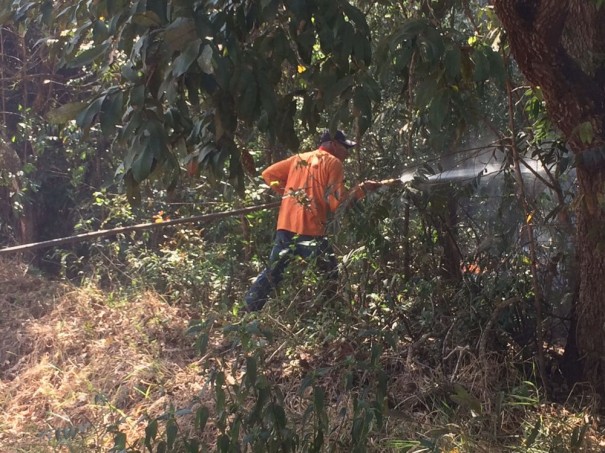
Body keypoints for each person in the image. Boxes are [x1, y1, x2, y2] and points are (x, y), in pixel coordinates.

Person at [243, 130, 382, 312]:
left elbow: (268, 174)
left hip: (286, 227)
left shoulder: (299, 158)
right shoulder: (334, 163)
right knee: (330, 274)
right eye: (345, 147)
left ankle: (248, 313)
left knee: (273, 273)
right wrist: (361, 190)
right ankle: (329, 315)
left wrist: (289, 193)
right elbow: (336, 204)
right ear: (332, 144)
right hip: (311, 231)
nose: (347, 152)